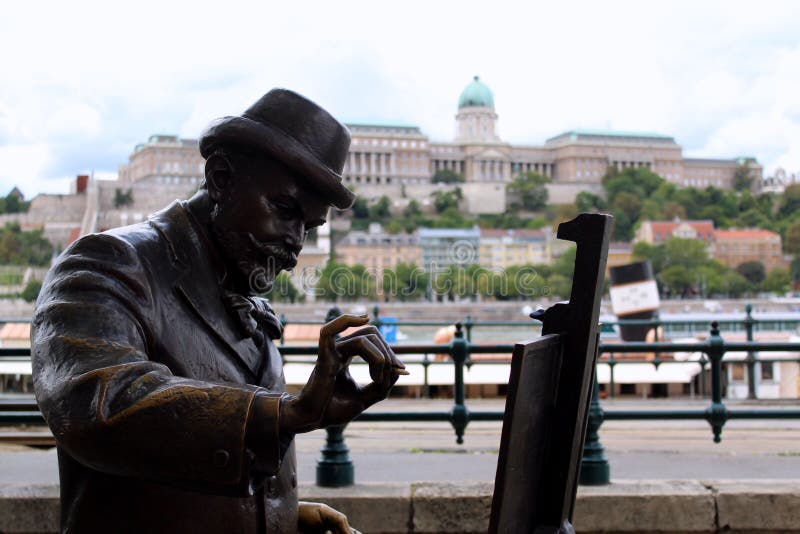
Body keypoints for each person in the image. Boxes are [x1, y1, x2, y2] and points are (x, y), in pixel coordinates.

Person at [31, 89, 406, 533]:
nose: (295, 242)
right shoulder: (108, 263)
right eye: (284, 209)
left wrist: (282, 517)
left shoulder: (239, 279)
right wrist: (287, 413)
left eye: (308, 225)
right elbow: (97, 407)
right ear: (221, 178)